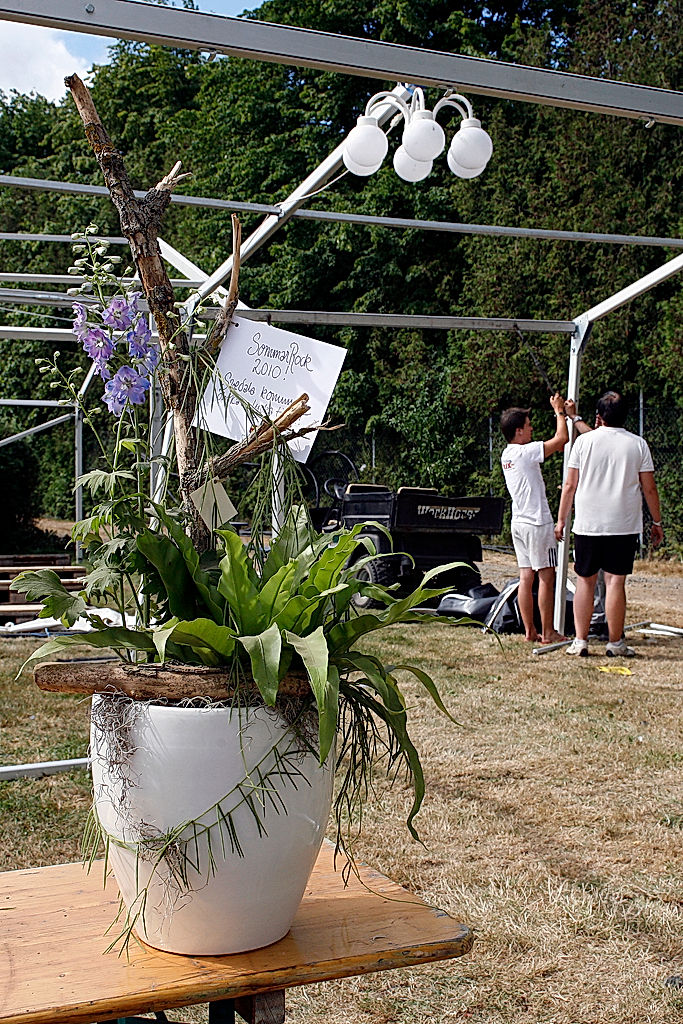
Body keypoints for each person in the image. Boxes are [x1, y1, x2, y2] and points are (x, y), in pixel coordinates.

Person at [555, 390, 663, 657]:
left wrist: (561, 520)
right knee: (616, 582)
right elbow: (649, 489)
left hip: (589, 523)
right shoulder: (638, 445)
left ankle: (580, 640)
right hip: (623, 525)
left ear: (599, 416)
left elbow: (569, 485)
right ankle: (615, 642)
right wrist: (657, 521)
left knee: (585, 581)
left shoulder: (583, 443)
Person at [500, 393, 570, 644]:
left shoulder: (507, 455)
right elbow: (562, 439)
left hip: (519, 522)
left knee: (526, 576)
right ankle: (548, 632)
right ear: (518, 431)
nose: (531, 430)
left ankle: (530, 630)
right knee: (546, 576)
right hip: (537, 523)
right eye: (528, 426)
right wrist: (559, 412)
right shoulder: (525, 452)